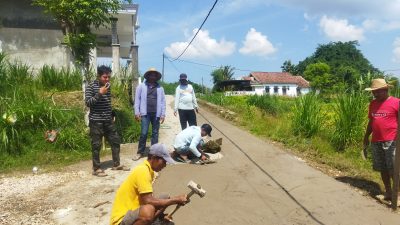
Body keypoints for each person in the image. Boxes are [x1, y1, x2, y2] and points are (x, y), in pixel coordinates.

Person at [110, 143, 187, 225]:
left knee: (165, 197)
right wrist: (175, 200)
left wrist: (162, 215)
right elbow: (148, 201)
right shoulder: (142, 171)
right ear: (153, 158)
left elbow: (149, 200)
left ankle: (155, 220)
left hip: (135, 210)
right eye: (163, 162)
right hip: (121, 219)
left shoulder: (150, 171)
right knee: (148, 210)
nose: (165, 165)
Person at [85, 65, 129, 177]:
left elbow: (107, 103)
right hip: (96, 121)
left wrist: (112, 114)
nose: (107, 79)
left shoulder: (108, 86)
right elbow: (88, 103)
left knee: (115, 141)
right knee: (96, 145)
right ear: (99, 76)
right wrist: (99, 93)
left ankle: (116, 164)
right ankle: (96, 168)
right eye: (105, 77)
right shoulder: (90, 86)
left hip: (108, 120)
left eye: (109, 77)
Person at [363, 78, 400, 201]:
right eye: (374, 92)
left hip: (392, 141)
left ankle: (397, 195)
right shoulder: (373, 104)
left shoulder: (396, 102)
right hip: (376, 141)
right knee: (382, 168)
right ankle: (388, 193)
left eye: (378, 91)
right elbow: (371, 121)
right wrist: (366, 137)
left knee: (394, 169)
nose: (375, 94)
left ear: (386, 90)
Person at [133, 68, 166, 161]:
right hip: (145, 113)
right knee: (144, 133)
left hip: (156, 114)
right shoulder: (141, 86)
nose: (152, 76)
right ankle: (140, 152)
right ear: (148, 76)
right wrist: (137, 112)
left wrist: (163, 114)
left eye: (154, 75)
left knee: (155, 134)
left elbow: (163, 102)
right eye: (151, 75)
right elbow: (137, 100)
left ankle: (154, 154)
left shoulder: (160, 88)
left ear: (156, 77)